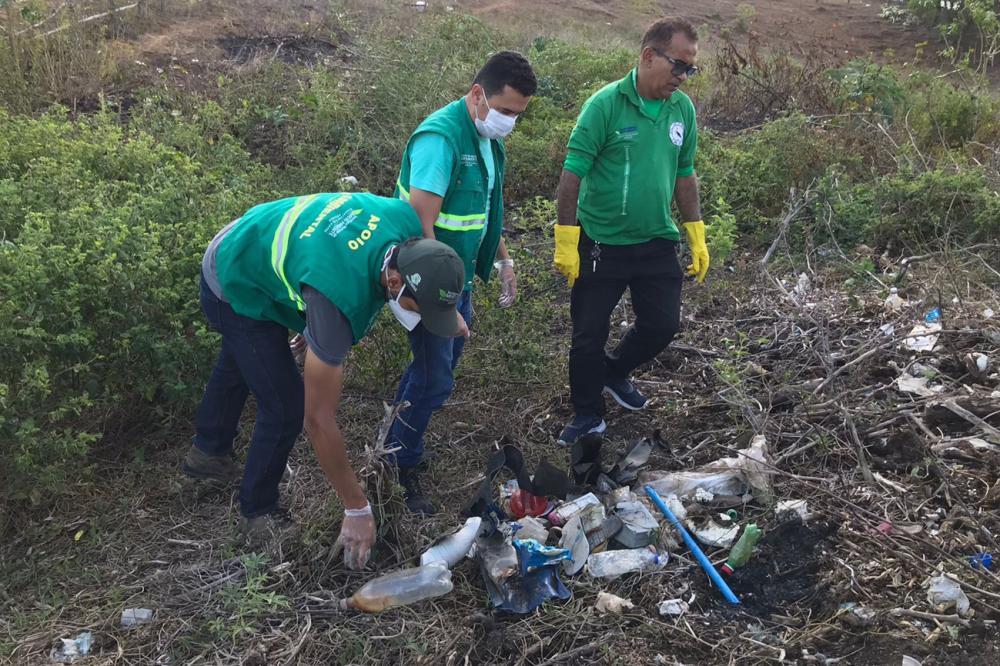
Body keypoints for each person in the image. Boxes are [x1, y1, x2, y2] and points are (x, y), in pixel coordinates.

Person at [181, 192, 467, 567]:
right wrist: (357, 507)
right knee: (285, 404)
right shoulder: (336, 298)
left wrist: (442, 310)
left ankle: (208, 453)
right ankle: (258, 512)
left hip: (267, 236)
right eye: (420, 306)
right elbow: (318, 420)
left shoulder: (405, 223)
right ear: (393, 280)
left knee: (245, 360)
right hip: (232, 268)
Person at [388, 51, 537, 513]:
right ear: (478, 95)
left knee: (433, 371)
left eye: (518, 114)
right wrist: (439, 302)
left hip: (456, 281)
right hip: (426, 283)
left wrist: (502, 261)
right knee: (435, 379)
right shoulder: (441, 139)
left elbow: (484, 212)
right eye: (506, 110)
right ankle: (398, 466)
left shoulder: (487, 138)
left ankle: (396, 441)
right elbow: (420, 224)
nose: (510, 122)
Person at [552, 17, 710, 446]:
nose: (683, 78)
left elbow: (684, 172)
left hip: (656, 239)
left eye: (690, 70)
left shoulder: (682, 110)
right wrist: (567, 239)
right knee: (588, 335)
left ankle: (614, 371)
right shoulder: (605, 105)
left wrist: (695, 230)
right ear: (648, 56)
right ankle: (587, 412)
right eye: (678, 66)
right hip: (601, 241)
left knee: (662, 324)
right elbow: (572, 174)